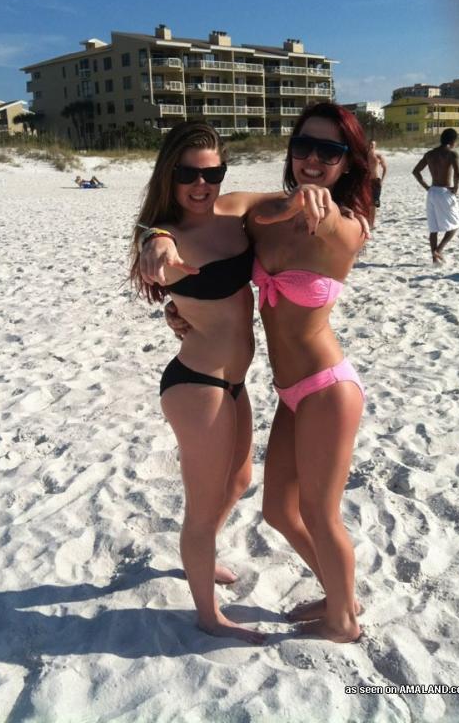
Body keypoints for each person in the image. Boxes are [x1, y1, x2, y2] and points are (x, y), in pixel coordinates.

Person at [139, 104, 371, 643]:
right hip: (248, 387)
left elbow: (332, 218)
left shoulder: (341, 225)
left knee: (303, 506)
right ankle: (327, 597)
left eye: (330, 151)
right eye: (304, 146)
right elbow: (197, 224)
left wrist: (321, 198)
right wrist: (156, 237)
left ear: (347, 162)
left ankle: (342, 615)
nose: (313, 158)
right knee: (269, 510)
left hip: (322, 385)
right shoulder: (248, 217)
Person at [130, 121, 286, 643]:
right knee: (200, 510)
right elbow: (155, 242)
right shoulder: (165, 233)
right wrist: (155, 242)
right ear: (169, 175)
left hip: (233, 381)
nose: (202, 185)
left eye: (213, 173)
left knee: (238, 481)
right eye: (189, 175)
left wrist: (311, 195)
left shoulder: (233, 209)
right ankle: (207, 614)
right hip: (197, 385)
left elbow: (279, 200)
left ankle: (198, 555)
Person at [412, 129, 459, 264]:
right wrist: (456, 188)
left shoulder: (429, 154)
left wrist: (426, 187)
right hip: (445, 191)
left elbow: (416, 171)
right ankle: (438, 250)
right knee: (455, 226)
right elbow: (457, 173)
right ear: (452, 141)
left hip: (432, 192)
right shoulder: (451, 154)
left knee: (433, 229)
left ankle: (435, 260)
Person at [367, 139, 387, 229]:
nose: (371, 146)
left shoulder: (378, 156)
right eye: (370, 144)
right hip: (366, 181)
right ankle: (368, 222)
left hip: (375, 180)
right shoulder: (364, 156)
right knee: (366, 202)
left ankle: (372, 223)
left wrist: (382, 180)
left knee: (374, 203)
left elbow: (385, 168)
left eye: (373, 144)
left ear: (375, 146)